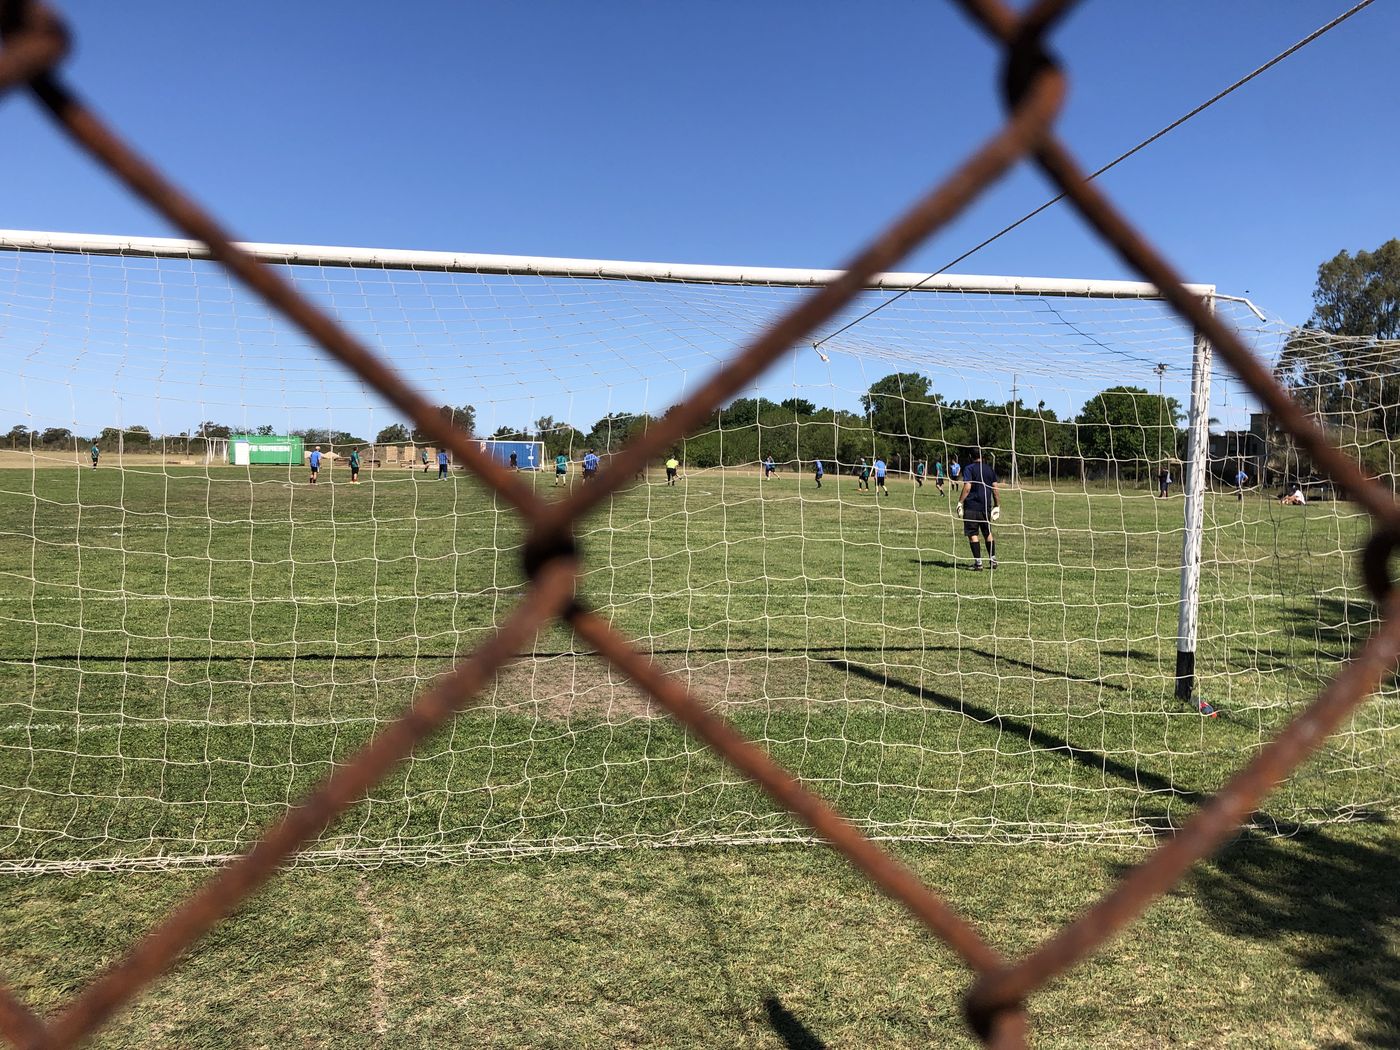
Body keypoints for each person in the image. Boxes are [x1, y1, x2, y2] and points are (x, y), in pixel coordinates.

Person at [958, 448, 1000, 571]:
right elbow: (995, 489)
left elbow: (967, 486)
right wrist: (997, 505)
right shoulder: (989, 469)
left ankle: (978, 563)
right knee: (988, 533)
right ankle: (993, 560)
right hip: (985, 506)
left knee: (973, 534)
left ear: (971, 456)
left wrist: (960, 502)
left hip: (971, 506)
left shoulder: (969, 468)